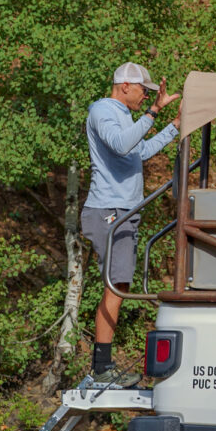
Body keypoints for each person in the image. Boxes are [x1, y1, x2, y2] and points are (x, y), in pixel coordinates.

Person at [79, 62, 180, 387]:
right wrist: (153, 113)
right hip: (109, 210)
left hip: (121, 210)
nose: (145, 96)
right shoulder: (103, 111)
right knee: (116, 286)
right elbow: (122, 144)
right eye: (143, 90)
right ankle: (102, 367)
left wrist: (175, 126)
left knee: (118, 286)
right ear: (125, 85)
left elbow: (140, 151)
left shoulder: (123, 115)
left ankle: (102, 365)